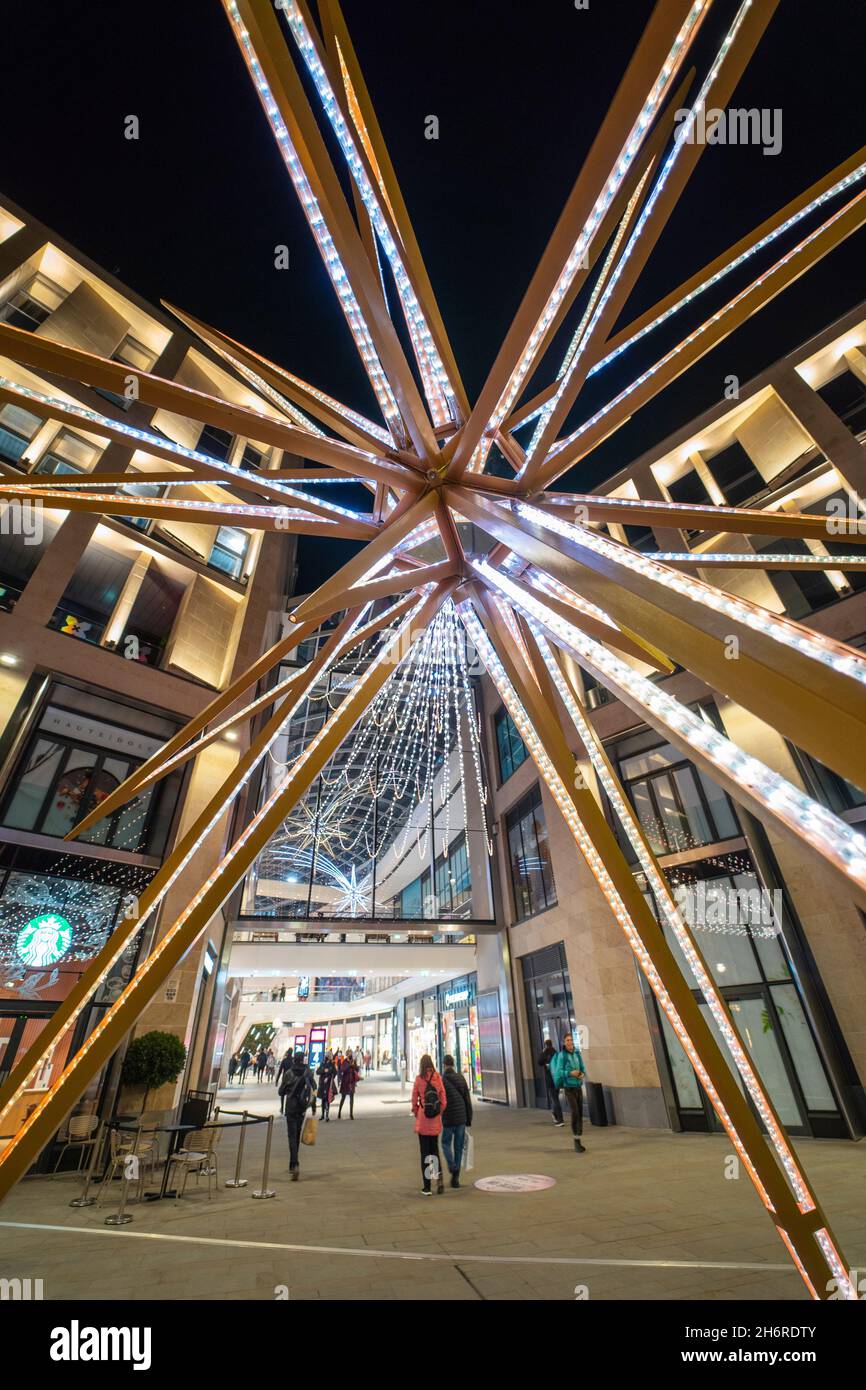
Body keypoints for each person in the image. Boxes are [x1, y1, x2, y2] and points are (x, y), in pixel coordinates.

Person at [411, 1053, 447, 1196]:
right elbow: (443, 1100)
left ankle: (427, 1187)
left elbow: (414, 1100)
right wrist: (439, 1112)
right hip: (435, 1122)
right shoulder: (438, 1078)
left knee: (424, 1154)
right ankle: (439, 1182)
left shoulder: (419, 1080)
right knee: (435, 1153)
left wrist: (417, 1112)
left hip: (423, 1121)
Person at [549, 1033, 587, 1153]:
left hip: (578, 1087)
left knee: (580, 1113)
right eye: (567, 1040)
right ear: (564, 1043)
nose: (570, 1042)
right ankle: (576, 1141)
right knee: (575, 1112)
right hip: (568, 1088)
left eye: (571, 1040)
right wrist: (570, 1073)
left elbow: (582, 1067)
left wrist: (582, 1074)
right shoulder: (561, 1056)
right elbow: (559, 1071)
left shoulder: (577, 1054)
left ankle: (579, 1138)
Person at [280, 1052, 315, 1181]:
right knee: (297, 1134)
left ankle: (294, 1163)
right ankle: (294, 1163)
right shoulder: (307, 1072)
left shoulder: (288, 1073)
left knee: (291, 1135)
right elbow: (313, 1086)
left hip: (290, 1107)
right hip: (301, 1107)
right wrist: (312, 1101)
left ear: (295, 1059)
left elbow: (281, 1092)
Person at [441, 1054, 472, 1188]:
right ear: (453, 1064)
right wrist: (469, 1119)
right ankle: (456, 1178)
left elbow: (441, 1100)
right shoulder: (461, 1078)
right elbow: (467, 1099)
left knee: (445, 1143)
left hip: (448, 1118)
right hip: (461, 1118)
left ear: (444, 1065)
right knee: (458, 1147)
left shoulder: (442, 1080)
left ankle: (452, 1165)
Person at [538, 1038, 564, 1127]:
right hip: (557, 1078)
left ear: (545, 1044)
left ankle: (560, 1119)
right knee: (555, 1097)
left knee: (555, 1099)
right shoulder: (556, 1052)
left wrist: (542, 1052)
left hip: (550, 1079)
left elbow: (539, 1062)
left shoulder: (544, 1053)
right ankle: (555, 1114)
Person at [317, 1051, 337, 1122]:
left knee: (327, 1099)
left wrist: (330, 1078)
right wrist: (323, 1070)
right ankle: (322, 1115)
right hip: (322, 1084)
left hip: (329, 1084)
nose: (327, 1056)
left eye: (328, 1055)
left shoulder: (332, 1064)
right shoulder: (322, 1063)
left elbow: (335, 1073)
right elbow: (317, 1071)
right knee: (323, 1099)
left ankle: (327, 1115)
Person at [337, 1050, 359, 1118]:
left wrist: (354, 1066)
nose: (350, 1055)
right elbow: (342, 1069)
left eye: (351, 1054)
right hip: (345, 1082)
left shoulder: (353, 1061)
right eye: (349, 1054)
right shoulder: (345, 1061)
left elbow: (357, 1069)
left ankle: (351, 1114)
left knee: (352, 1098)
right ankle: (339, 1112)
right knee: (343, 1098)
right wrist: (349, 1066)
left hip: (351, 1082)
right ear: (347, 1054)